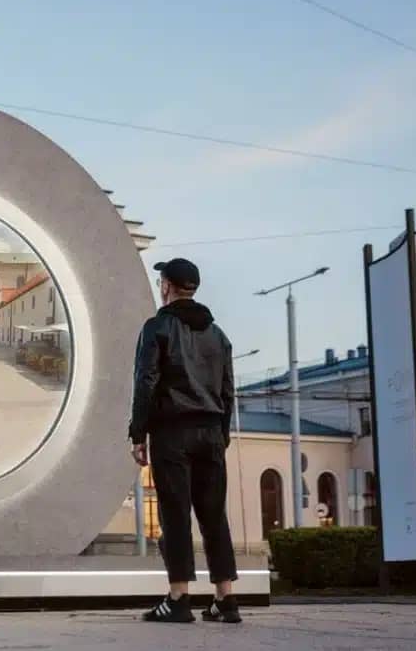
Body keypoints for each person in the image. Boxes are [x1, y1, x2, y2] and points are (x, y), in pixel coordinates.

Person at [130, 257, 241, 624]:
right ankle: (225, 599)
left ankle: (178, 598)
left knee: (175, 514)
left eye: (160, 282)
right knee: (214, 515)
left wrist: (138, 432)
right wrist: (221, 434)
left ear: (166, 287)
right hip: (211, 433)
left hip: (172, 432)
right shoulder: (218, 335)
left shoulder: (157, 327)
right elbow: (227, 391)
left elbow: (146, 381)